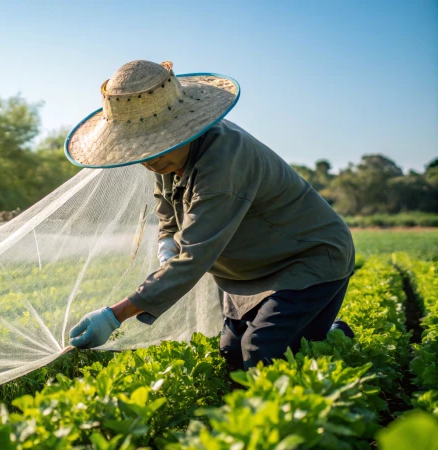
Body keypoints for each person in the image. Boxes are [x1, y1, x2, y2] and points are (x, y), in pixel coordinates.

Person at [65, 60, 355, 370]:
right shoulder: (166, 158)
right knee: (232, 354)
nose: (148, 162)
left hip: (306, 260)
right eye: (140, 152)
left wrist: (115, 315)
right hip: (247, 272)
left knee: (260, 355)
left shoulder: (222, 163)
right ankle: (317, 335)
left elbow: (195, 256)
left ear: (182, 130)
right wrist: (166, 244)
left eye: (154, 148)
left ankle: (332, 339)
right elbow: (168, 216)